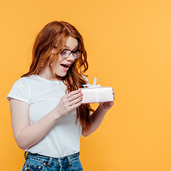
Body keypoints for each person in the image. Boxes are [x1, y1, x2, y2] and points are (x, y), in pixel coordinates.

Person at [7, 21, 114, 171]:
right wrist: (57, 112)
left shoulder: (76, 83)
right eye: (64, 51)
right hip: (40, 166)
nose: (71, 58)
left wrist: (103, 109)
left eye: (75, 51)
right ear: (46, 49)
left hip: (73, 164)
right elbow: (22, 141)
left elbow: (85, 130)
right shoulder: (24, 86)